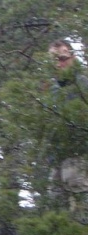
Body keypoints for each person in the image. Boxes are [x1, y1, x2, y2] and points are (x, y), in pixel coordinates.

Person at [47, 39, 88, 219]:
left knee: (79, 198)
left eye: (64, 57)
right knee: (56, 204)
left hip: (79, 152)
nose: (60, 62)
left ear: (72, 57)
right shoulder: (51, 88)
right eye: (55, 59)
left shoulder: (82, 83)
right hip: (56, 155)